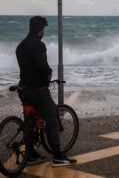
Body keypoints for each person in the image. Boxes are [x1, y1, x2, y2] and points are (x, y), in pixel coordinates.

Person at [15, 16, 77, 167]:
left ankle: (30, 155)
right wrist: (49, 74)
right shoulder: (38, 45)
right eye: (44, 29)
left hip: (24, 90)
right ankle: (58, 156)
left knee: (30, 123)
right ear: (40, 30)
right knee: (52, 121)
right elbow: (42, 66)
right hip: (38, 91)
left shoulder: (21, 46)